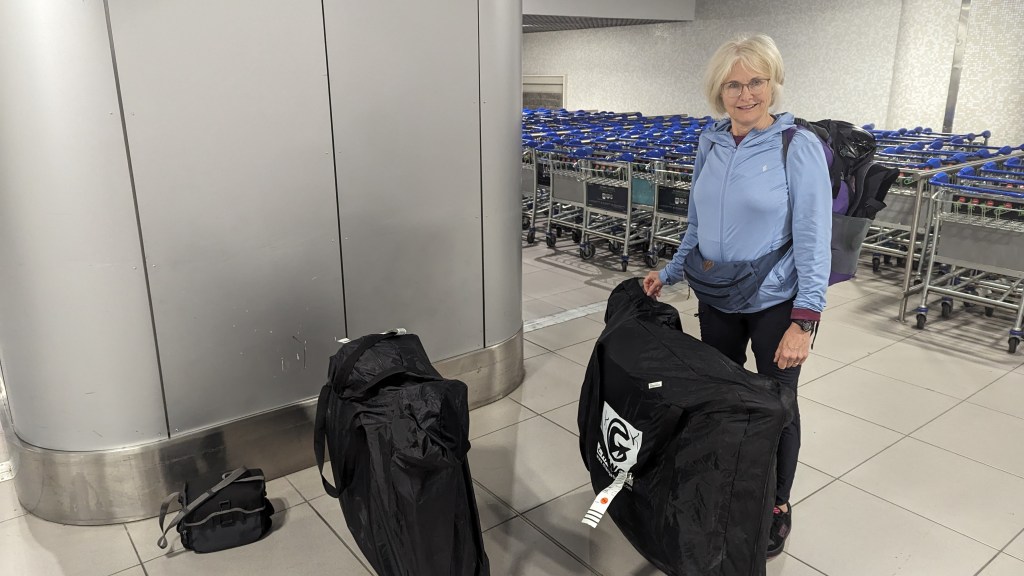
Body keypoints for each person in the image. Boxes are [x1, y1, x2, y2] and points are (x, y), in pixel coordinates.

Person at [643, 33, 831, 558]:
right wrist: (673, 269)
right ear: (718, 91)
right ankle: (723, 482)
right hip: (718, 295)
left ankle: (775, 503)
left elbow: (816, 239)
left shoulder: (798, 146)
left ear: (772, 84)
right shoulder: (711, 141)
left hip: (775, 302)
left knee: (777, 405)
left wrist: (805, 320)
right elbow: (698, 222)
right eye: (733, 84)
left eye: (756, 82)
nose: (745, 94)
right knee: (720, 398)